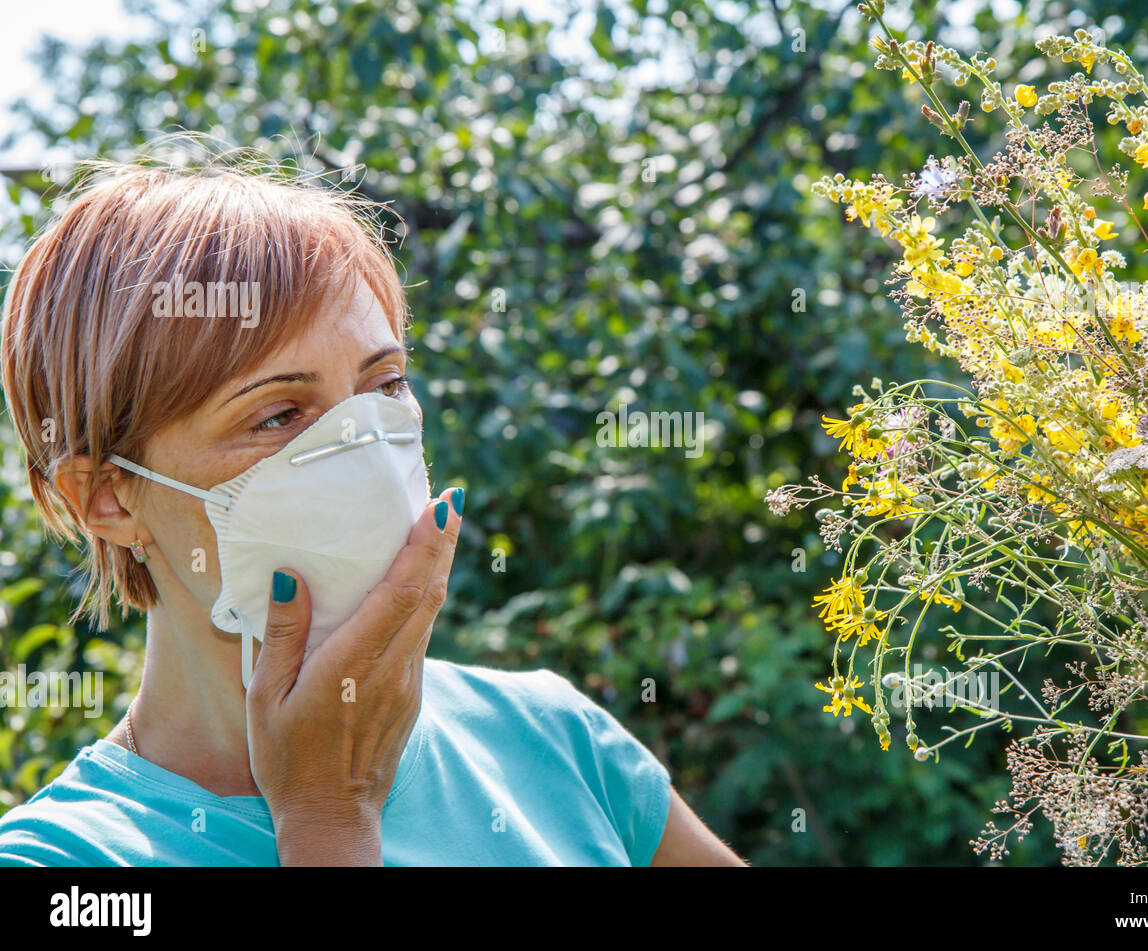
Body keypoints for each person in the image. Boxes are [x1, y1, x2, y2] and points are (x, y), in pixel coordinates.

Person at [0, 141, 746, 866]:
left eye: (384, 386)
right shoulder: (67, 857)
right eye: (278, 415)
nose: (359, 447)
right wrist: (329, 818)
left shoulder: (551, 735)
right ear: (106, 497)